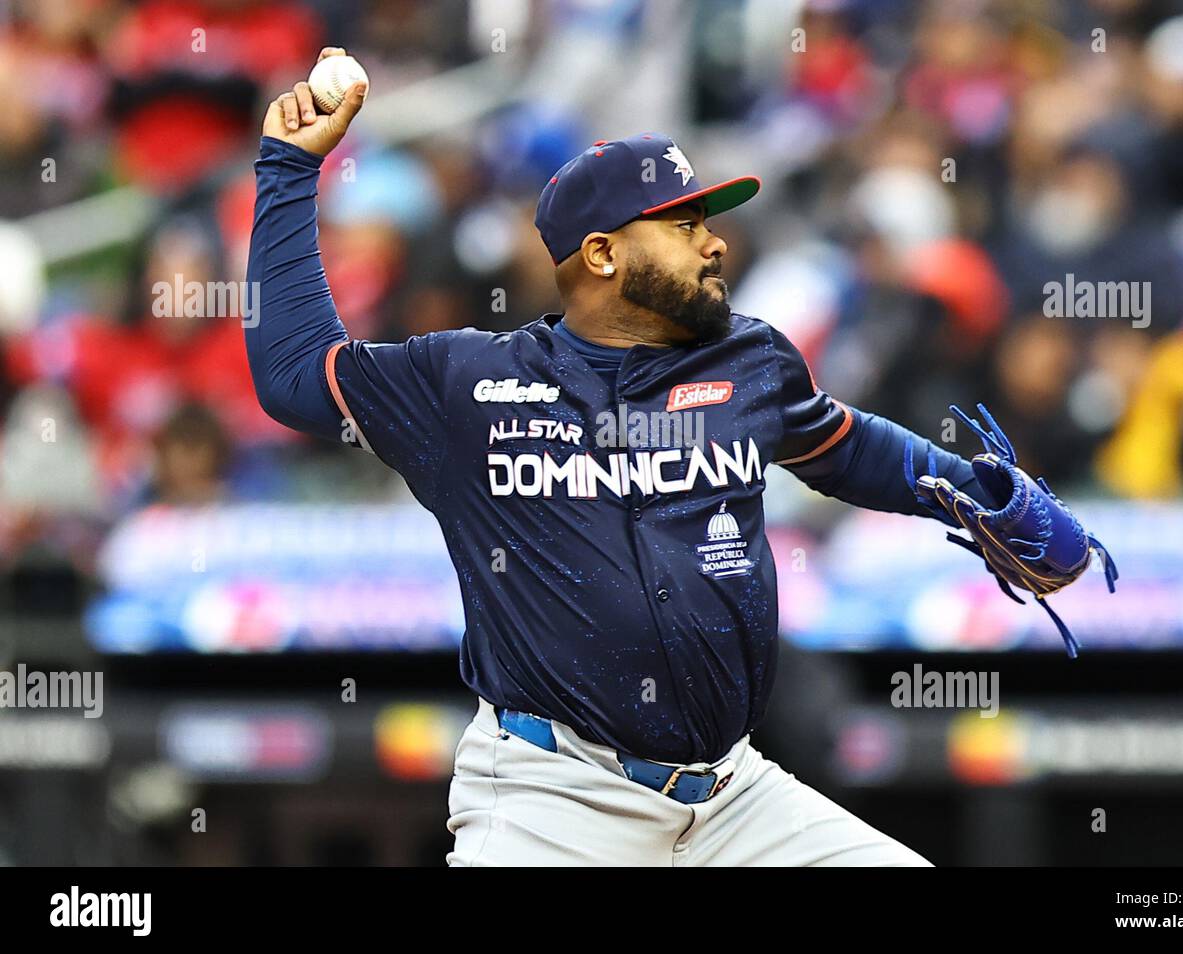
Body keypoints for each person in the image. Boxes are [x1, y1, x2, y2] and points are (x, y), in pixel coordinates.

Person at [246, 49, 1093, 866]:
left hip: (732, 798)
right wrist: (288, 171)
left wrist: (972, 490)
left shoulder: (748, 363)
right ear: (603, 254)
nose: (713, 244)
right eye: (683, 225)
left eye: (709, 223)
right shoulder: (467, 383)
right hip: (555, 801)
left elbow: (847, 448)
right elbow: (293, 374)